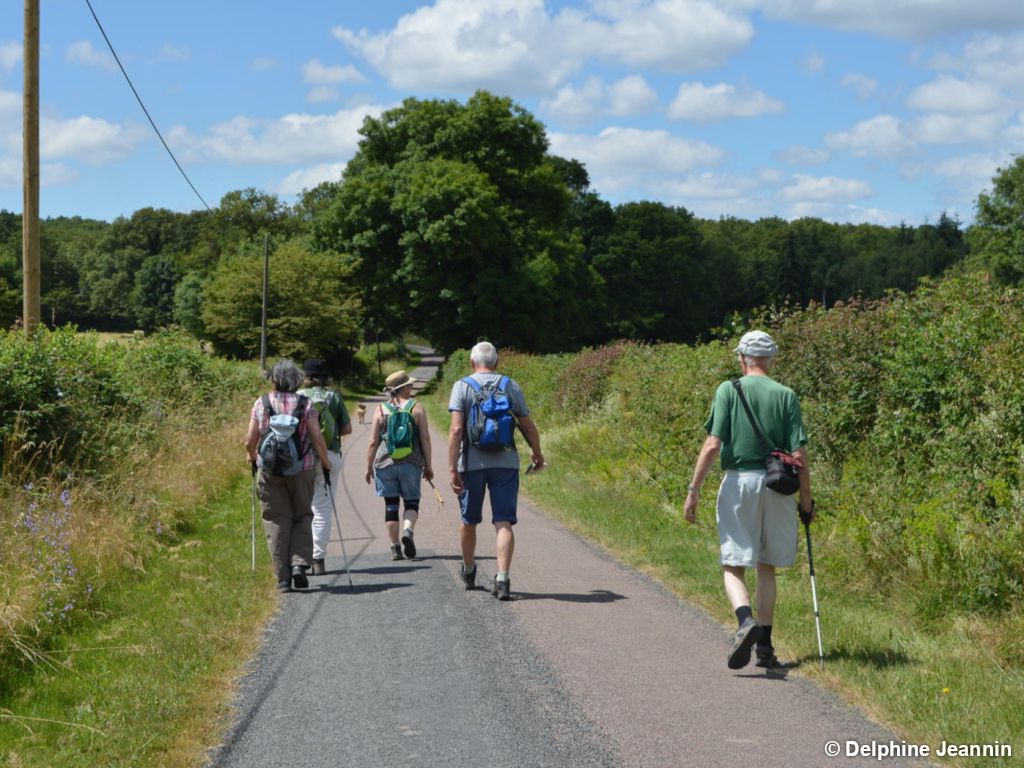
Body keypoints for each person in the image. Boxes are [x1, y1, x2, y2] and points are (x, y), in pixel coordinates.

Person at [683, 330, 814, 670]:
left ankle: (745, 621)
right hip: (778, 485)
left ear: (741, 357)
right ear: (771, 359)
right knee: (767, 565)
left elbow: (713, 445)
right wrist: (807, 501)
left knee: (733, 562)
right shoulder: (786, 395)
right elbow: (799, 454)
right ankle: (766, 649)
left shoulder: (729, 389)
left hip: (740, 482)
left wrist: (693, 490)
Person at [448, 341, 543, 600]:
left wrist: (452, 468)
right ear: (497, 363)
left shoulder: (462, 386)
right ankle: (502, 578)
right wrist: (537, 452)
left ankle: (468, 571)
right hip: (506, 462)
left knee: (469, 520)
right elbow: (527, 425)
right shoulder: (510, 385)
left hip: (471, 464)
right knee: (503, 521)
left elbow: (456, 430)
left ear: (472, 363)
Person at [245, 359, 332, 592]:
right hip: (302, 469)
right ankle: (299, 565)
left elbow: (249, 440)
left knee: (275, 520)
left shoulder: (261, 403)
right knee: (303, 515)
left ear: (273, 378)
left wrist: (252, 457)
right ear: (296, 379)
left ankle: (283, 578)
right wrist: (325, 463)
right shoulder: (306, 403)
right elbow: (317, 437)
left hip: (270, 470)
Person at [365, 370, 434, 560]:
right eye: (410, 386)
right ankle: (408, 530)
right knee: (412, 502)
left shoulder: (380, 410)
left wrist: (368, 466)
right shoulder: (417, 408)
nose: (412, 388)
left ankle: (395, 547)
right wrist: (428, 465)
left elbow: (373, 442)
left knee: (391, 505)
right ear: (402, 389)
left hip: (384, 463)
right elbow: (425, 439)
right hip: (411, 463)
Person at [298, 359, 352, 576]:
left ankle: (299, 557)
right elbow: (346, 429)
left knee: (302, 508)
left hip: (302, 458)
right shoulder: (334, 396)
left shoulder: (298, 396)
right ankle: (318, 559)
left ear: (306, 376)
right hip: (329, 456)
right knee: (323, 508)